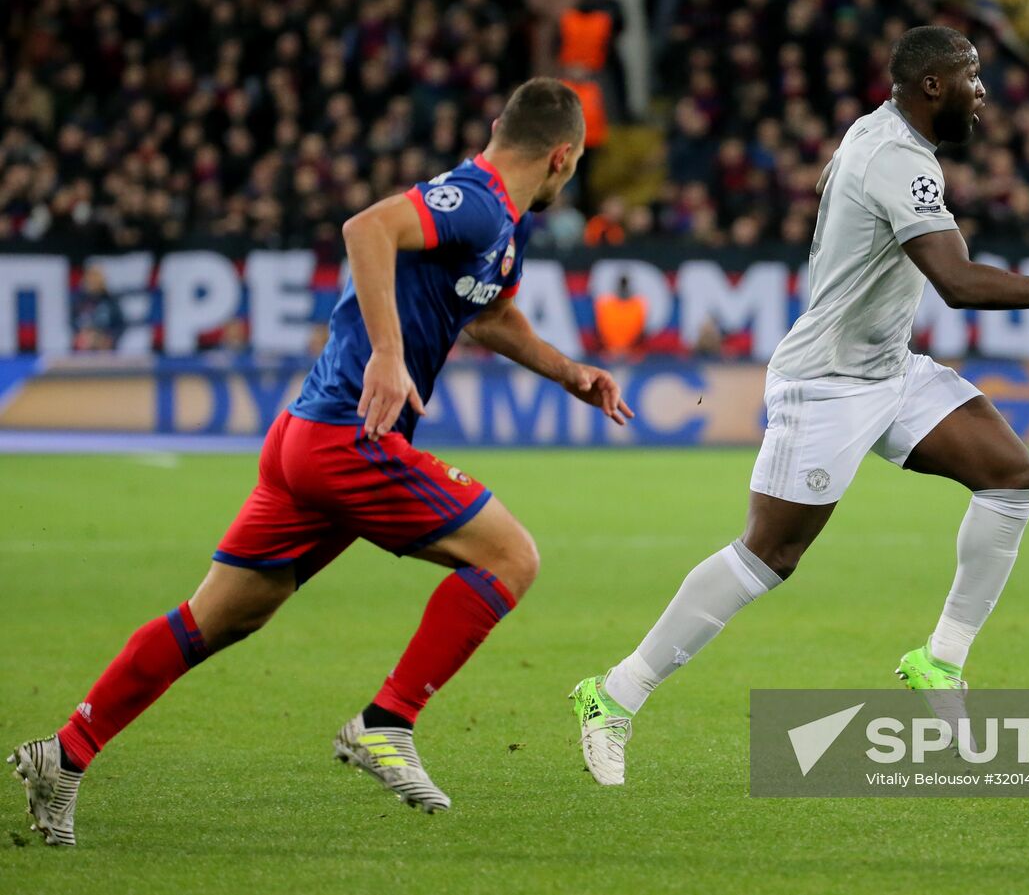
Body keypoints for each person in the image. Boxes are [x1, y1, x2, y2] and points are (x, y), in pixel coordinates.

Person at [10, 78, 633, 846]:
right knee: (510, 556)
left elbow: (492, 312)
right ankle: (387, 720)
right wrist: (388, 353)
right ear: (562, 156)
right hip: (350, 438)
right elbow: (366, 228)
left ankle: (63, 753)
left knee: (216, 618)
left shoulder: (501, 225)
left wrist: (573, 373)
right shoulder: (472, 199)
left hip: (308, 441)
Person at [569, 26, 1029, 786]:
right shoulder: (897, 157)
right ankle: (613, 694)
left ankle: (940, 660)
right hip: (828, 381)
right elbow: (959, 282)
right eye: (971, 79)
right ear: (932, 85)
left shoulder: (881, 135)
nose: (983, 94)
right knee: (769, 555)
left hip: (888, 370)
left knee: (1014, 475)